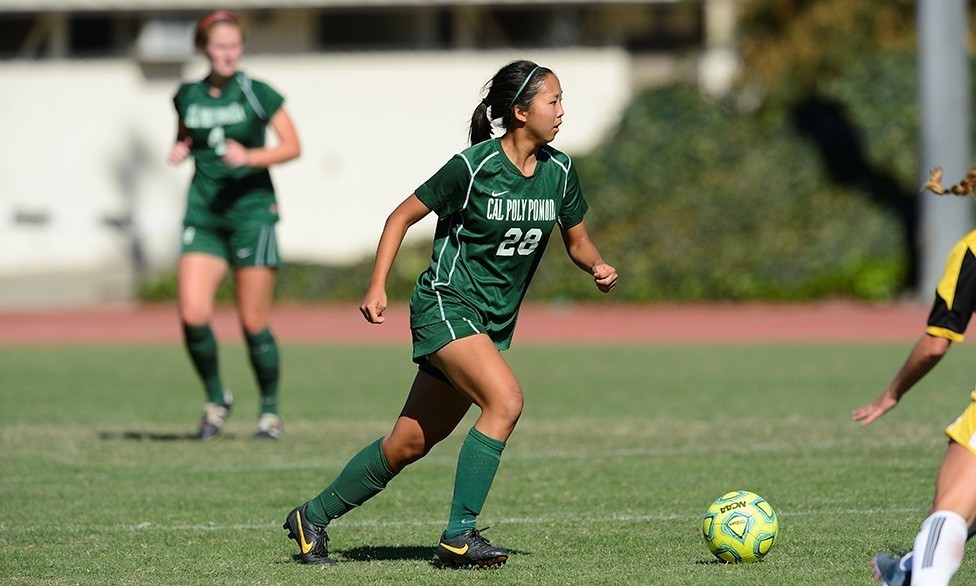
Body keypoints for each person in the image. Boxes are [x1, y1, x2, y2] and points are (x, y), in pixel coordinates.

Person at [282, 59, 618, 567]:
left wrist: (596, 264)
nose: (562, 111)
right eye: (554, 101)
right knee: (505, 400)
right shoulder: (474, 166)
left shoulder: (560, 171)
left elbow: (578, 240)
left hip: (487, 324)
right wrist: (377, 287)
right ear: (520, 111)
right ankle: (460, 535)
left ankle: (312, 517)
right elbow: (400, 216)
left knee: (409, 443)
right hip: (445, 304)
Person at [168, 10, 300, 440]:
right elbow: (187, 134)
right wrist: (180, 147)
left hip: (252, 215)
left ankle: (270, 412)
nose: (227, 53)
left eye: (234, 45)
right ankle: (216, 398)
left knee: (252, 322)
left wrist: (251, 157)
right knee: (191, 313)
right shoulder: (186, 94)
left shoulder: (257, 91)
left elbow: (292, 145)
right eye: (219, 46)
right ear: (204, 48)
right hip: (204, 215)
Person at [856, 165, 976, 585]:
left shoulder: (973, 249)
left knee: (949, 512)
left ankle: (917, 573)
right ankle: (910, 567)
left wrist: (893, 392)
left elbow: (934, 344)